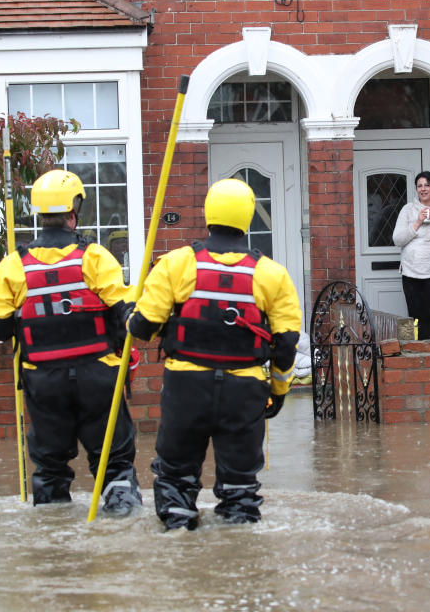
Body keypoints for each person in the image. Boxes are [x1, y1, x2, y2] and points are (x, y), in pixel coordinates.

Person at [127, 178, 301, 531]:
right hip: (244, 392)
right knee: (240, 490)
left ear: (208, 214)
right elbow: (285, 346)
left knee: (175, 479)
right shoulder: (272, 274)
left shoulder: (174, 264)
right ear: (248, 218)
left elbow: (142, 328)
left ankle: (180, 536)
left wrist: (130, 311)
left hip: (185, 389)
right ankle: (235, 553)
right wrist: (278, 391)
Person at [0, 169, 142, 516]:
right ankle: (123, 525)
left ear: (40, 214)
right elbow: (124, 311)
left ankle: (52, 538)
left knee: (50, 470)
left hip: (43, 383)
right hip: (98, 377)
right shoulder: (95, 258)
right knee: (114, 462)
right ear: (74, 212)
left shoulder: (13, 266)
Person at [391, 170, 430, 341]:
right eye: (419, 186)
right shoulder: (407, 210)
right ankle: (410, 354)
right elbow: (397, 239)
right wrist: (417, 222)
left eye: (427, 185)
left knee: (428, 316)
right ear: (416, 189)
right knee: (412, 316)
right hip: (410, 271)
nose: (423, 189)